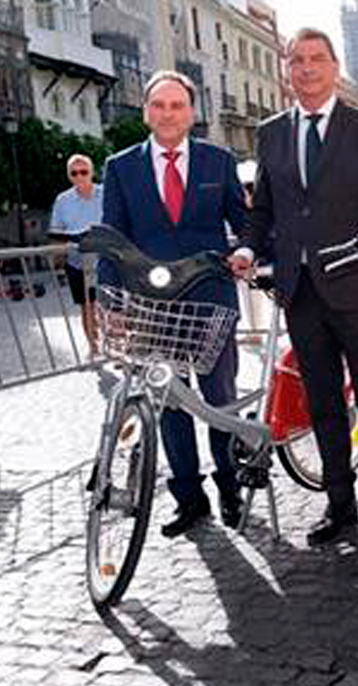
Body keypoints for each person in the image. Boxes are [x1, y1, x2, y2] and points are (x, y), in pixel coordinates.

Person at [229, 28, 358, 547]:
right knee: (324, 405)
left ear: (333, 68)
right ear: (287, 72)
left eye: (316, 59)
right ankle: (339, 505)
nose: (306, 68)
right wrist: (246, 248)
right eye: (296, 61)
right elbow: (263, 209)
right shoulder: (272, 133)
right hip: (300, 293)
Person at [102, 70, 249, 537]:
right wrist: (112, 300)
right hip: (151, 304)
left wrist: (245, 249)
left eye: (177, 105)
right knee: (167, 402)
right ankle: (189, 497)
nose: (168, 114)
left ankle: (230, 485)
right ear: (146, 112)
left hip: (211, 300)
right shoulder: (120, 167)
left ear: (191, 112)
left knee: (219, 397)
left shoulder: (218, 161)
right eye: (159, 105)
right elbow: (113, 237)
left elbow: (245, 222)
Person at [49, 154, 103, 357]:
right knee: (86, 306)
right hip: (76, 262)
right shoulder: (62, 200)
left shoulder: (106, 193)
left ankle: (117, 348)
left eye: (83, 171)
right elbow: (56, 230)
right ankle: (94, 347)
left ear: (92, 172)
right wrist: (57, 255)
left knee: (110, 305)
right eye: (74, 173)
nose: (79, 176)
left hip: (106, 260)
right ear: (69, 176)